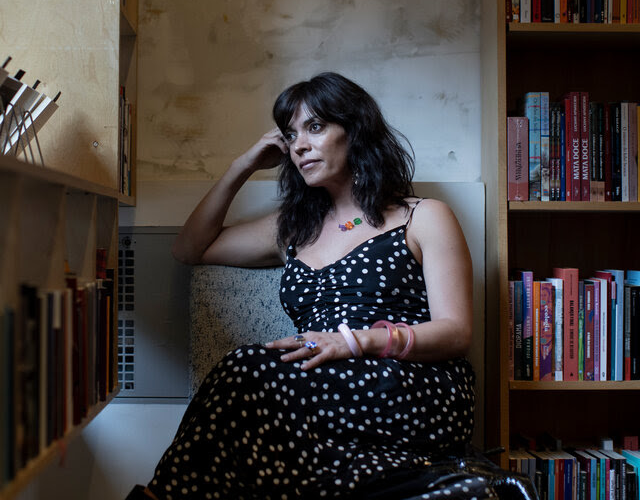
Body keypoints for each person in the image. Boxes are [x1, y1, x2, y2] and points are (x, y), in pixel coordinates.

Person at [127, 72, 475, 500]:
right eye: (290, 136)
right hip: (318, 386)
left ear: (355, 130)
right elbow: (189, 248)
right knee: (247, 403)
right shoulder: (295, 230)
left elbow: (457, 332)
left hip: (410, 385)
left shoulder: (422, 216)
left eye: (315, 127)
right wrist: (244, 165)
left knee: (248, 369)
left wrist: (352, 342)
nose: (299, 146)